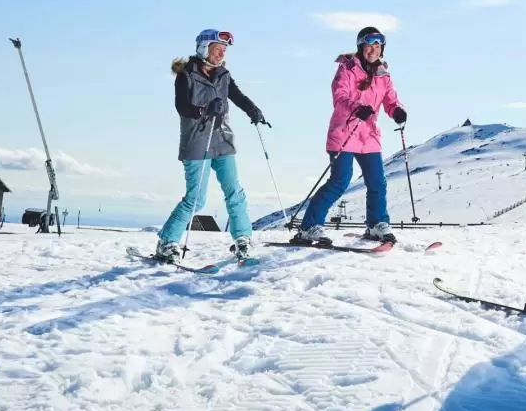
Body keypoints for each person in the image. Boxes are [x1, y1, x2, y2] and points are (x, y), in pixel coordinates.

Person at [155, 29, 270, 263]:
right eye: (217, 49)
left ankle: (243, 239)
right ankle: (167, 242)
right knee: (196, 199)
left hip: (222, 139)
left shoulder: (223, 74)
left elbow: (236, 95)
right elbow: (182, 107)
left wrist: (253, 109)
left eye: (224, 50)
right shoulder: (186, 74)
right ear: (203, 48)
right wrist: (204, 110)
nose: (221, 54)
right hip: (197, 141)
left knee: (234, 192)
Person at [293, 26, 408, 246]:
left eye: (377, 46)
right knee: (339, 181)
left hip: (368, 135)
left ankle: (376, 224)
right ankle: (309, 227)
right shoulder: (347, 68)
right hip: (344, 132)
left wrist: (397, 110)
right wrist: (357, 108)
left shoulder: (383, 74)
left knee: (377, 182)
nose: (373, 50)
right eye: (369, 45)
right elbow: (340, 96)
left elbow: (390, 99)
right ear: (360, 46)